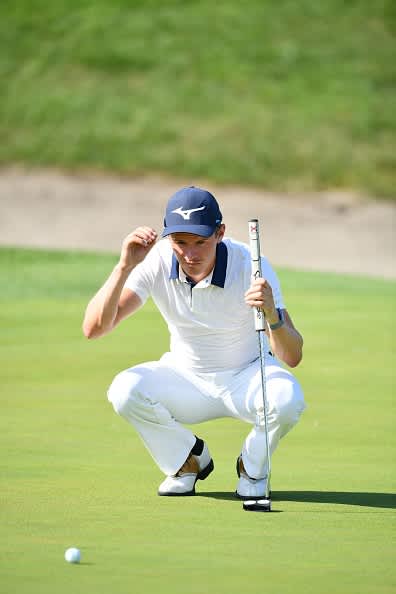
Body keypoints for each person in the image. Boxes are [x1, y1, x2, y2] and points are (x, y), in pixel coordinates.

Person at [82, 186, 305, 498]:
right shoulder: (156, 260)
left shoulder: (251, 264)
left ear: (220, 233)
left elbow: (291, 355)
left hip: (248, 378)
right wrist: (124, 266)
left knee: (288, 399)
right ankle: (187, 460)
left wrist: (271, 314)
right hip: (185, 379)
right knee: (124, 390)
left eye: (200, 242)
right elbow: (95, 328)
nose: (190, 254)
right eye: (180, 242)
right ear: (167, 238)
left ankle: (252, 468)